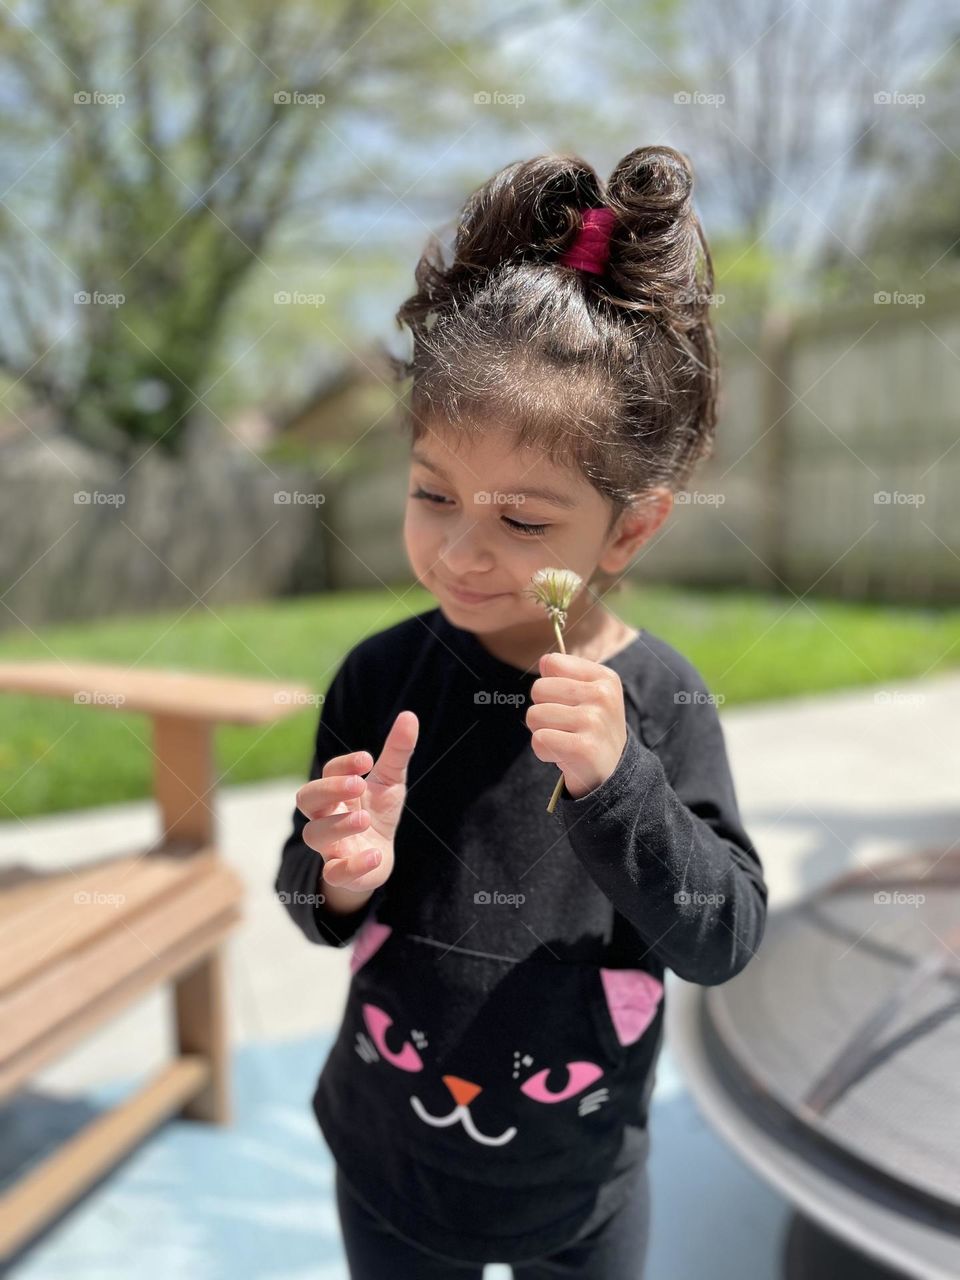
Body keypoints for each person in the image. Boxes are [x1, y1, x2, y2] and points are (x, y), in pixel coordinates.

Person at [275, 144, 768, 1278]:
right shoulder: (378, 674)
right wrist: (338, 870)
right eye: (432, 492)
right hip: (389, 1163)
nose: (460, 548)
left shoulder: (663, 699)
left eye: (525, 521)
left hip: (578, 1178)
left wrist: (622, 782)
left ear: (631, 529)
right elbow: (311, 902)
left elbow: (724, 934)